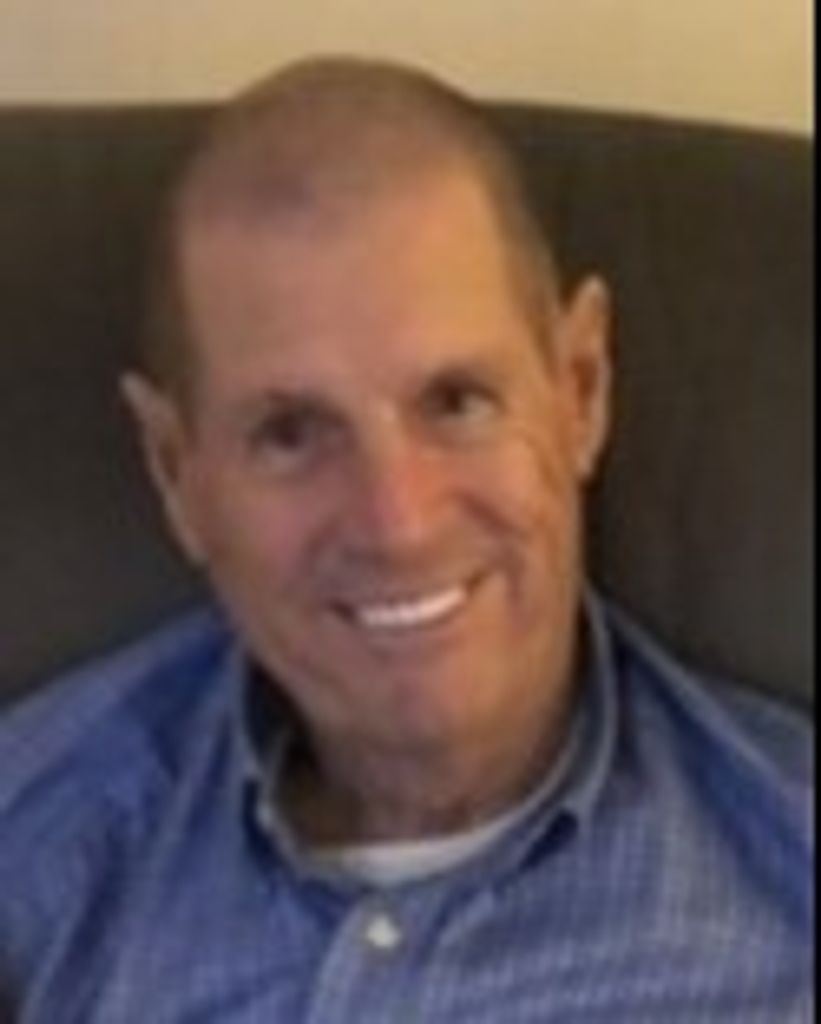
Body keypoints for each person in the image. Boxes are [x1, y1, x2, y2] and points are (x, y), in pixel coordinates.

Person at [0, 56, 812, 1023]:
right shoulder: (35, 844)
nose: (398, 522)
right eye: (291, 433)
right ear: (177, 471)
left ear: (580, 390)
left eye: (457, 402)